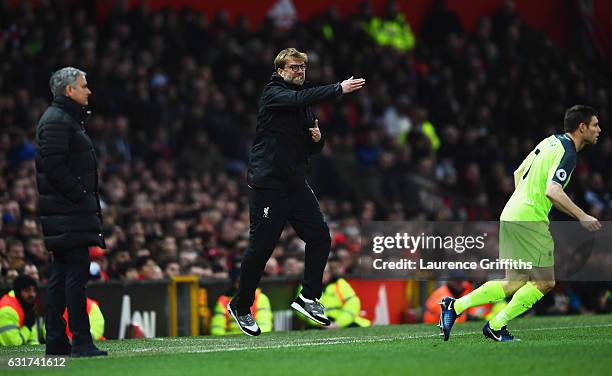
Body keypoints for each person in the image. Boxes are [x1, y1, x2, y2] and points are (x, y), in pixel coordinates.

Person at [227, 48, 365, 336]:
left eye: (303, 67)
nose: (300, 71)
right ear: (280, 71)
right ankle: (240, 307)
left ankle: (309, 297)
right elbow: (299, 97)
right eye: (294, 67)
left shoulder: (304, 106)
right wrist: (339, 88)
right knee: (261, 249)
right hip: (268, 186)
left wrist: (317, 140)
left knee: (320, 236)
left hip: (295, 184)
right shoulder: (273, 93)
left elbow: (310, 148)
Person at [439, 105, 602, 342]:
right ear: (582, 127)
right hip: (529, 218)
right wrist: (582, 216)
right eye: (595, 125)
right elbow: (553, 191)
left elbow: (518, 173)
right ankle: (496, 325)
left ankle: (455, 307)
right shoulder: (568, 153)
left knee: (513, 281)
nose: (599, 129)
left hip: (512, 213)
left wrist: (524, 201)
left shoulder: (549, 142)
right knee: (546, 282)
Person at [35, 67, 107, 356]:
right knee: (74, 276)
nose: (88, 91)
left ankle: (56, 340)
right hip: (69, 213)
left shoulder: (62, 119)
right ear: (69, 91)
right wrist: (81, 197)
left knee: (61, 275)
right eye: (84, 86)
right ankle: (80, 340)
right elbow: (53, 167)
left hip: (65, 213)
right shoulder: (58, 121)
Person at [297, 256, 371, 329]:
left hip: (342, 322)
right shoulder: (305, 287)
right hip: (317, 325)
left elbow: (352, 304)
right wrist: (323, 323)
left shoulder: (340, 284)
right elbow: (303, 308)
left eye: (325, 272)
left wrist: (339, 323)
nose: (322, 275)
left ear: (330, 273)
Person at [210, 268, 272, 335]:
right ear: (234, 282)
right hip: (231, 340)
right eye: (239, 281)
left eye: (246, 281)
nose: (243, 284)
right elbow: (217, 328)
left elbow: (265, 325)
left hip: (253, 337)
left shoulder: (260, 297)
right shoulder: (224, 300)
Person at [0, 275, 40, 346]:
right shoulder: (7, 310)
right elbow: (12, 346)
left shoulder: (26, 308)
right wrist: (27, 328)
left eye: (34, 290)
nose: (32, 294)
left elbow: (33, 342)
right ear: (18, 292)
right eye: (27, 290)